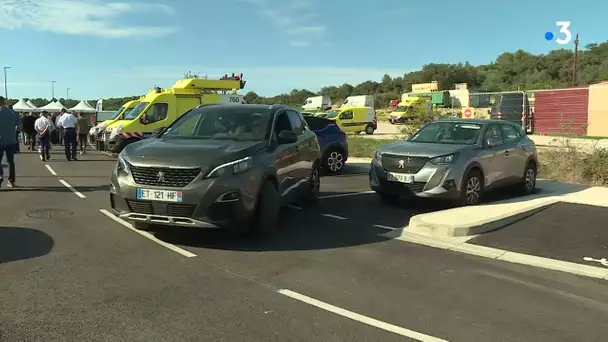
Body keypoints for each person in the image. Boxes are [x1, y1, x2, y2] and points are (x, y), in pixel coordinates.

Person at [0, 97, 20, 188]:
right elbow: (19, 127)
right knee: (10, 161)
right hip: (11, 140)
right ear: (4, 102)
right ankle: (11, 181)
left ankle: (0, 175)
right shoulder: (13, 113)